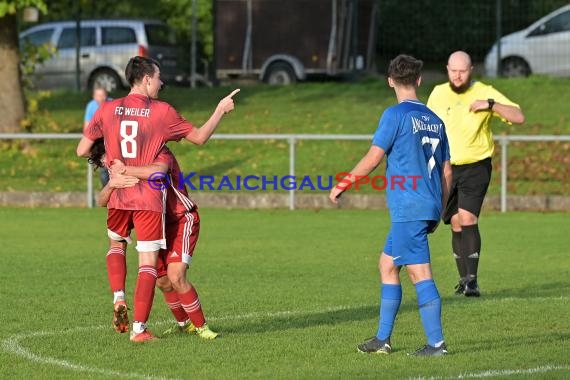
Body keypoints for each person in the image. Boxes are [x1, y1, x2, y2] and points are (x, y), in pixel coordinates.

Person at [76, 56, 239, 342]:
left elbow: (81, 150)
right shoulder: (162, 112)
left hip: (119, 192)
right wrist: (219, 110)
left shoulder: (106, 109)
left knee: (116, 243)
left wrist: (112, 166)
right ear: (147, 79)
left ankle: (118, 297)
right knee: (149, 265)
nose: (162, 83)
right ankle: (139, 330)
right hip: (148, 198)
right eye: (159, 77)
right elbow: (199, 138)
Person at [329, 54, 452, 356]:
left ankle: (437, 344)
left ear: (390, 81)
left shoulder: (394, 115)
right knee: (387, 264)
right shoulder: (435, 120)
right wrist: (439, 208)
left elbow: (373, 157)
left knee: (419, 273)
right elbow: (447, 171)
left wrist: (342, 184)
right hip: (426, 205)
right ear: (419, 80)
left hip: (408, 206)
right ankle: (382, 339)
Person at [89, 140, 218, 339]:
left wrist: (123, 170)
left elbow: (157, 172)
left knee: (176, 276)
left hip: (180, 219)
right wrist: (114, 180)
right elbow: (102, 201)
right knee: (163, 281)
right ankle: (184, 324)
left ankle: (202, 327)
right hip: (154, 220)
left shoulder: (159, 152)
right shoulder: (127, 163)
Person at [427, 51, 525, 297]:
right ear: (447, 69)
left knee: (468, 218)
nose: (458, 76)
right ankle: (463, 279)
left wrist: (491, 104)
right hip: (447, 167)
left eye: (463, 71)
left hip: (476, 166)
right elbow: (425, 125)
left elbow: (518, 116)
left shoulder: (484, 90)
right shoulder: (438, 93)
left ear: (471, 69)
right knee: (456, 222)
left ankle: (472, 281)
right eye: (453, 70)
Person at [84, 86, 111, 187]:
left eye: (103, 95)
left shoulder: (112, 104)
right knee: (104, 171)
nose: (101, 98)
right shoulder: (91, 106)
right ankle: (107, 192)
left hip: (112, 141)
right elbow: (87, 127)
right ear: (94, 97)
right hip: (100, 143)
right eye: (99, 96)